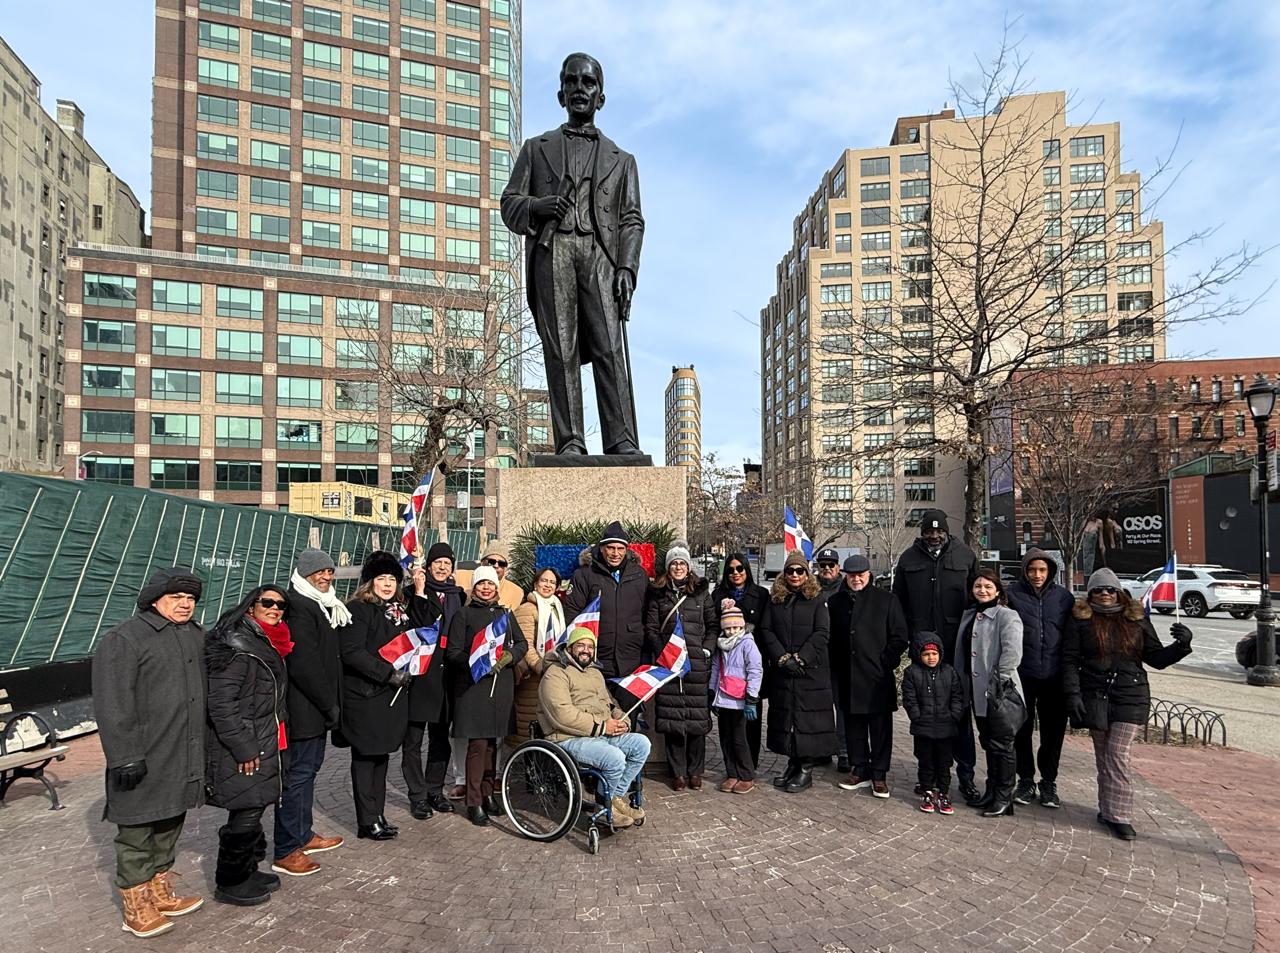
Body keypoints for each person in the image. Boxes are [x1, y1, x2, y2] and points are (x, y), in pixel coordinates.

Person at [500, 52, 645, 456]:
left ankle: (621, 439)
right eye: (572, 81)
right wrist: (539, 206)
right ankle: (571, 441)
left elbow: (632, 220)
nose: (580, 89)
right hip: (554, 250)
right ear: (560, 93)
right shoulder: (535, 149)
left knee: (609, 347)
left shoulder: (623, 160)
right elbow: (509, 203)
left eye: (588, 83)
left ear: (600, 96)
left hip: (601, 255)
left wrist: (627, 269)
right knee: (560, 347)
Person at [92, 568, 207, 939]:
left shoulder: (194, 635)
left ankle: (160, 890)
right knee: (137, 830)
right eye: (176, 597)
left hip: (182, 750)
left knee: (170, 820)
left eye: (190, 599)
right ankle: (135, 905)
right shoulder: (125, 638)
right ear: (154, 600)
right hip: (143, 755)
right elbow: (112, 702)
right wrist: (124, 755)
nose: (185, 604)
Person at [1063, 568, 1193, 840]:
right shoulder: (1081, 620)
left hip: (1130, 695)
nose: (1105, 594)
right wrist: (1073, 694)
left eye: (1110, 589)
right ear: (1091, 594)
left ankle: (1120, 815)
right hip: (1095, 695)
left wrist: (1181, 645)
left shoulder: (1135, 619)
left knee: (1117, 754)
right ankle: (1106, 809)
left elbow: (1155, 657)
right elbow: (1070, 660)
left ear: (1119, 591)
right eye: (1098, 590)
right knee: (1103, 756)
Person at [205, 585, 291, 906]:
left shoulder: (264, 641)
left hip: (265, 736)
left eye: (280, 605)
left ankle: (249, 868)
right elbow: (222, 704)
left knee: (254, 805)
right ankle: (230, 880)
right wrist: (243, 746)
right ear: (250, 606)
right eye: (266, 602)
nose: (274, 608)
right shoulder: (239, 646)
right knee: (247, 806)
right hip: (246, 743)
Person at [892, 509, 980, 800]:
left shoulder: (965, 556)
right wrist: (906, 640)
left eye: (937, 531)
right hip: (921, 650)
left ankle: (965, 776)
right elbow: (899, 604)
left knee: (959, 714)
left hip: (956, 649)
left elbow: (976, 598)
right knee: (926, 719)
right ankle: (927, 776)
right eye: (928, 531)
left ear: (945, 530)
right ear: (921, 533)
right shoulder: (907, 559)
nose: (933, 535)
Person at [274, 549, 347, 877]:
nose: (326, 577)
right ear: (304, 573)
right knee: (298, 776)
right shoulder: (299, 607)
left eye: (330, 571)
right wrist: (327, 703)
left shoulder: (319, 603)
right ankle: (287, 848)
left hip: (316, 709)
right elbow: (304, 665)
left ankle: (303, 834)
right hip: (304, 708)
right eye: (320, 572)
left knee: (309, 771)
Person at [538, 626, 650, 827]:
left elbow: (609, 703)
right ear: (570, 647)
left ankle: (614, 798)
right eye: (580, 645)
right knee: (614, 758)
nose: (586, 650)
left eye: (590, 647)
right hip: (567, 737)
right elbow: (561, 714)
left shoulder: (595, 673)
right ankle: (603, 807)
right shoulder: (555, 674)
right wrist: (601, 727)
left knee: (641, 744)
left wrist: (622, 720)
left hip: (600, 733)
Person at [444, 566, 528, 827]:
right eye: (481, 584)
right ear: (474, 587)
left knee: (494, 743)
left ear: (496, 587)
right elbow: (453, 653)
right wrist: (477, 661)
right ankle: (473, 801)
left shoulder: (505, 614)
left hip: (500, 685)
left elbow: (521, 644)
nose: (486, 588)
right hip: (474, 687)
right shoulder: (463, 615)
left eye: (490, 584)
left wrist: (509, 657)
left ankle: (488, 792)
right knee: (478, 746)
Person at [338, 551, 413, 841]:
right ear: (370, 582)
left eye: (392, 579)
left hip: (389, 696)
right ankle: (367, 820)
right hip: (367, 695)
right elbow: (352, 652)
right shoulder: (359, 609)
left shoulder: (396, 611)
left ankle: (377, 814)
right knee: (366, 758)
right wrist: (387, 673)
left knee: (381, 757)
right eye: (381, 578)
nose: (387, 584)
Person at [828, 554, 908, 799]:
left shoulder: (886, 600)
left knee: (880, 728)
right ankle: (859, 767)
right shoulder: (836, 602)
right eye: (851, 575)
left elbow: (899, 637)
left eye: (860, 574)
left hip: (876, 677)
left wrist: (886, 662)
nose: (856, 579)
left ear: (868, 574)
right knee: (853, 727)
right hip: (848, 675)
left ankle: (879, 773)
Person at [644, 541, 718, 790]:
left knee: (696, 720)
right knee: (673, 720)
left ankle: (695, 770)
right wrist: (661, 651)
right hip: (670, 664)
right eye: (674, 563)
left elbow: (713, 625)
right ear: (668, 567)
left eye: (682, 563)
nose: (678, 567)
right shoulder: (658, 594)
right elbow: (651, 628)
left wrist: (706, 649)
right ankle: (677, 772)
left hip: (696, 664)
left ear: (689, 567)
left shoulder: (701, 593)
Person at [761, 550, 836, 793]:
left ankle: (806, 767)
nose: (795, 575)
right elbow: (766, 630)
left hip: (810, 671)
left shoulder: (817, 599)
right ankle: (792, 762)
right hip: (784, 670)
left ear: (806, 573)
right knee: (787, 718)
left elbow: (822, 632)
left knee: (808, 720)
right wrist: (782, 658)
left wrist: (801, 658)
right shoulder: (776, 599)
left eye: (799, 570)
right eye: (790, 570)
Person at [1006, 548, 1074, 809]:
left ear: (1051, 572)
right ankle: (1025, 779)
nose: (1037, 575)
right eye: (1032, 570)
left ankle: (1048, 782)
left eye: (1042, 570)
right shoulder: (1012, 595)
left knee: (1053, 733)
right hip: (1023, 675)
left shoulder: (1064, 598)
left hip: (1054, 677)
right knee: (1021, 731)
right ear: (1024, 570)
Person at [955, 570, 1025, 818]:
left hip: (999, 693)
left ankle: (1005, 796)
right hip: (976, 692)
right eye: (977, 586)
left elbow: (1012, 655)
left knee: (1003, 745)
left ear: (997, 590)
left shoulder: (1006, 616)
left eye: (987, 586)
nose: (982, 590)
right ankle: (992, 790)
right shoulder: (972, 615)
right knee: (989, 743)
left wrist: (997, 684)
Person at [407, 541, 466, 809]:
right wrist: (419, 592)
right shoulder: (411, 593)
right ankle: (417, 795)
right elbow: (418, 624)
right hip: (421, 673)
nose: (442, 567)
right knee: (413, 741)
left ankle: (434, 790)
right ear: (428, 566)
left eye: (447, 563)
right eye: (437, 563)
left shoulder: (458, 595)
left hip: (447, 673)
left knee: (440, 740)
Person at [564, 521, 649, 680]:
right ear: (602, 548)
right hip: (597, 656)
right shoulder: (584, 574)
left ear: (626, 550)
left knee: (628, 704)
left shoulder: (639, 575)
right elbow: (572, 612)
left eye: (620, 549)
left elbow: (647, 612)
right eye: (611, 548)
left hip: (631, 657)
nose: (615, 553)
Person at [711, 553, 771, 765]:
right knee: (727, 723)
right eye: (730, 569)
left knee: (750, 720)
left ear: (746, 570)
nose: (735, 573)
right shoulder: (718, 594)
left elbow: (766, 628)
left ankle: (749, 765)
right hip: (727, 664)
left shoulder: (761, 594)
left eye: (740, 569)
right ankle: (731, 766)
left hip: (750, 663)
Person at [901, 632, 965, 815]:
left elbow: (957, 696)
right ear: (920, 655)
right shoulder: (913, 673)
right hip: (924, 727)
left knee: (944, 763)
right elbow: (909, 698)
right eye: (927, 654)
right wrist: (916, 716)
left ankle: (943, 792)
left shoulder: (949, 672)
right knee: (926, 761)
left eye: (934, 654)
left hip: (946, 727)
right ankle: (927, 791)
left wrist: (954, 715)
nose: (931, 658)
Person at [509, 567, 567, 747]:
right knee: (529, 723)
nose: (547, 585)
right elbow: (524, 645)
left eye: (552, 582)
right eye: (544, 581)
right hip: (534, 676)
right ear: (535, 583)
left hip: (552, 674)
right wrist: (541, 666)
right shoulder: (527, 609)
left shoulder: (555, 607)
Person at [709, 604, 763, 793]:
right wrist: (711, 691)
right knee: (726, 738)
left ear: (742, 626)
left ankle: (746, 774)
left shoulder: (748, 643)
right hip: (724, 697)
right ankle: (731, 772)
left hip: (740, 698)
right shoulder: (721, 644)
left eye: (735, 627)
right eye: (728, 627)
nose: (731, 631)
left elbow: (755, 670)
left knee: (740, 739)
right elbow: (716, 668)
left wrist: (752, 697)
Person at [813, 547, 849, 772]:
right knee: (820, 707)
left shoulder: (847, 588)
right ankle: (823, 750)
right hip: (817, 656)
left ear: (838, 567)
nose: (827, 569)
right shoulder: (811, 588)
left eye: (831, 565)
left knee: (842, 707)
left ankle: (844, 751)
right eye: (823, 565)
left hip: (840, 656)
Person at [455, 539, 525, 610]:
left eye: (501, 563)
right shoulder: (460, 577)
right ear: (482, 562)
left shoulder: (516, 592)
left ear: (505, 568)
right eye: (491, 561)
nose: (496, 566)